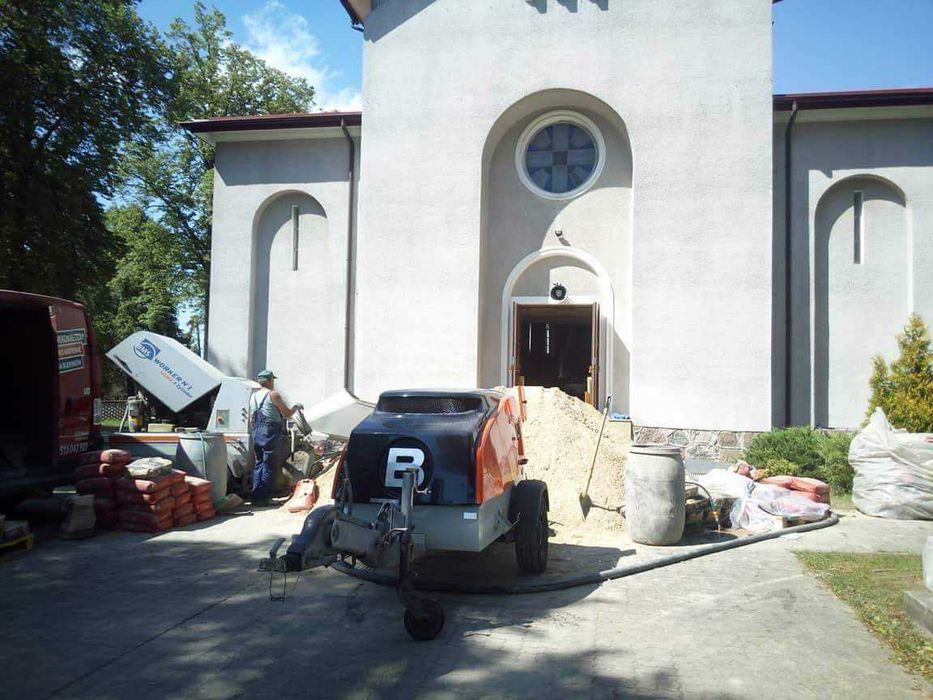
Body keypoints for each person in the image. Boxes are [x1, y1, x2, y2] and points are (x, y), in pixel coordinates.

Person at [249, 369, 302, 506]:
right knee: (269, 464)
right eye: (273, 380)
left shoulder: (253, 396)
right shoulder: (273, 395)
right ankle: (265, 498)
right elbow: (287, 413)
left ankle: (256, 496)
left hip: (256, 431)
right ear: (270, 381)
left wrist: (256, 430)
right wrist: (296, 407)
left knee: (259, 463)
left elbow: (251, 419)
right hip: (270, 432)